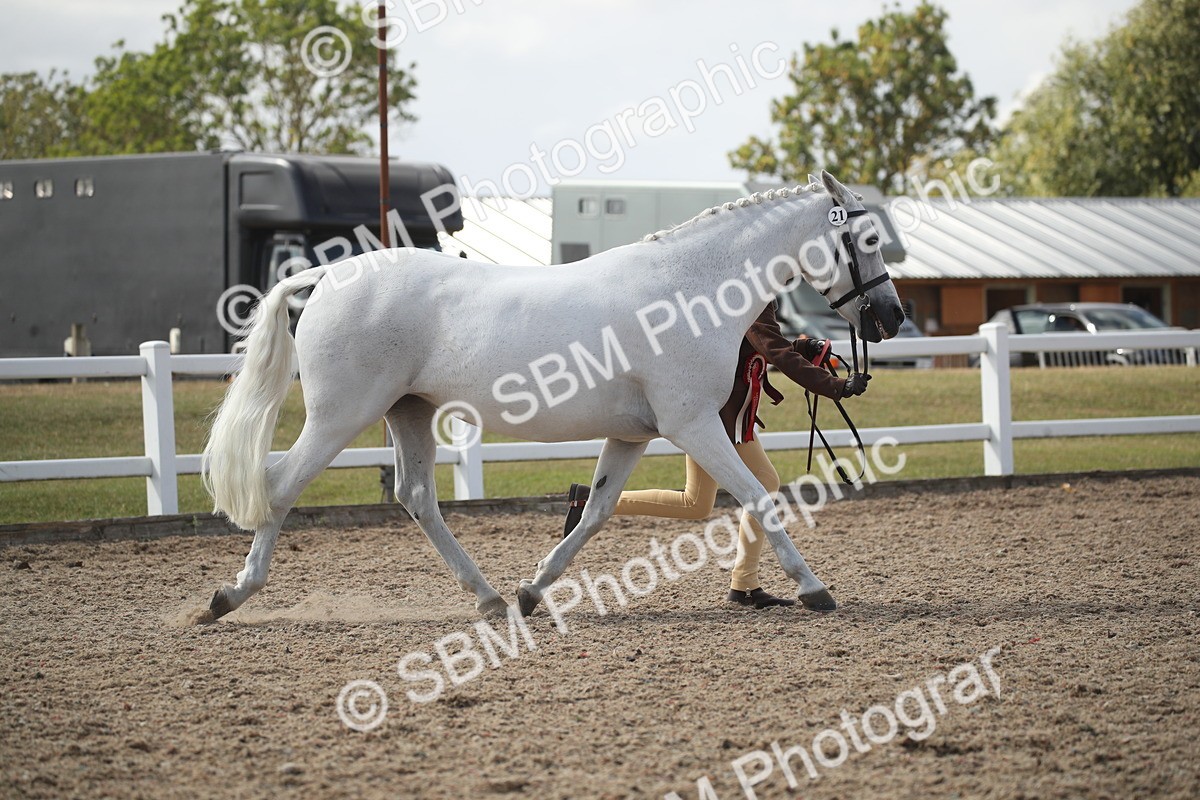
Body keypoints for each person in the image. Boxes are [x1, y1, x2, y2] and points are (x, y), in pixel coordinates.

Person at [563, 300, 870, 609]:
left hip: (719, 413)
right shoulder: (754, 297)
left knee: (695, 503)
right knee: (763, 482)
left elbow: (754, 347)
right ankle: (745, 584)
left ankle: (592, 502)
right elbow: (773, 349)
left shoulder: (743, 294)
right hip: (718, 416)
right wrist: (835, 386)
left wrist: (801, 348)